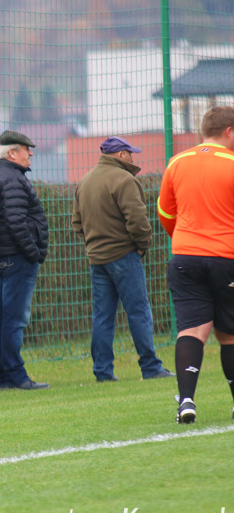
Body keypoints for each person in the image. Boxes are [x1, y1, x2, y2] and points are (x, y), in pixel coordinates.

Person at [72, 136, 173, 382]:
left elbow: (76, 224)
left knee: (102, 316)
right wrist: (141, 247)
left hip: (97, 259)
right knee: (138, 312)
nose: (132, 157)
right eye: (130, 153)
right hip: (124, 256)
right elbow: (138, 222)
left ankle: (103, 372)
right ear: (120, 155)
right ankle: (150, 368)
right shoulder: (125, 180)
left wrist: (94, 244)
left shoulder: (84, 182)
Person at [157, 106, 234, 424]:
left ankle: (186, 400)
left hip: (185, 257)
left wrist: (186, 241)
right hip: (226, 257)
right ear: (229, 131)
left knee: (191, 330)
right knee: (229, 335)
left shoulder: (177, 162)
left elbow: (165, 212)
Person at [0, 130, 50, 391]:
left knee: (3, 320)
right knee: (15, 320)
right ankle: (17, 376)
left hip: (1, 256)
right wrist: (33, 252)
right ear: (12, 152)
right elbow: (16, 222)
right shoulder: (12, 179)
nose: (30, 153)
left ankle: (3, 377)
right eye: (25, 149)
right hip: (16, 257)